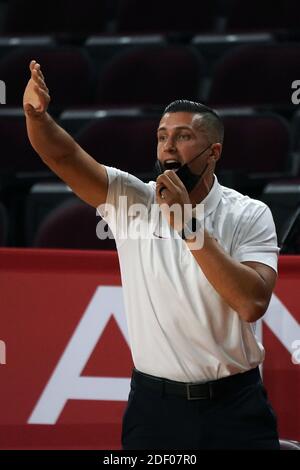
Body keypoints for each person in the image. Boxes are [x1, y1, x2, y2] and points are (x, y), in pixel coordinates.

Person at [23, 60, 280, 450]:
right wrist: (37, 117)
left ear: (213, 152)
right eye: (162, 137)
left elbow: (251, 302)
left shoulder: (249, 214)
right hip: (155, 409)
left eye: (182, 136)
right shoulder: (134, 200)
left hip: (235, 406)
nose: (168, 146)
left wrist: (187, 223)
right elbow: (65, 157)